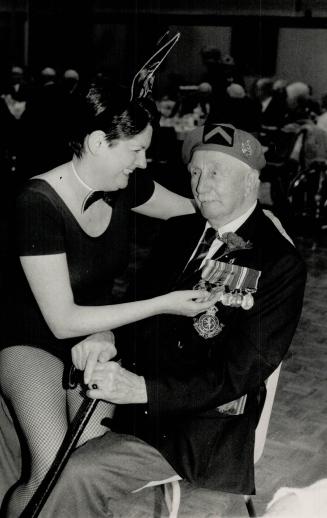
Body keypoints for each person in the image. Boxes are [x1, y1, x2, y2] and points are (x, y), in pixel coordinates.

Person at [39, 123, 307, 518]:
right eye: (196, 172)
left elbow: (240, 373)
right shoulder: (181, 230)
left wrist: (143, 389)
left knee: (74, 473)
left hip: (193, 426)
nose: (201, 184)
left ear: (251, 182)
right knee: (32, 437)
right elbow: (137, 302)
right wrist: (107, 333)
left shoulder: (278, 262)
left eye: (216, 172)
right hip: (134, 394)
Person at [0, 81, 220, 517]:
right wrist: (163, 302)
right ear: (99, 142)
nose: (144, 161)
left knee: (86, 463)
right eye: (136, 150)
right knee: (50, 472)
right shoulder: (36, 204)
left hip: (94, 333)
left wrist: (254, 218)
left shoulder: (125, 186)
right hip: (31, 339)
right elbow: (61, 321)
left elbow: (192, 210)